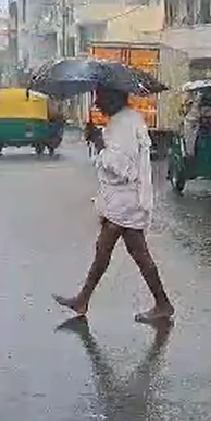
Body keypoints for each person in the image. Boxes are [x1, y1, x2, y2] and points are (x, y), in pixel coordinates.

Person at [54, 86, 174, 322]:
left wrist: (99, 142)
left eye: (101, 97)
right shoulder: (124, 120)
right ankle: (85, 299)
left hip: (127, 202)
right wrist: (99, 138)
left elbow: (122, 169)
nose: (97, 103)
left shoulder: (124, 125)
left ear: (115, 97)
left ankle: (161, 304)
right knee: (120, 251)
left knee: (115, 249)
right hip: (123, 202)